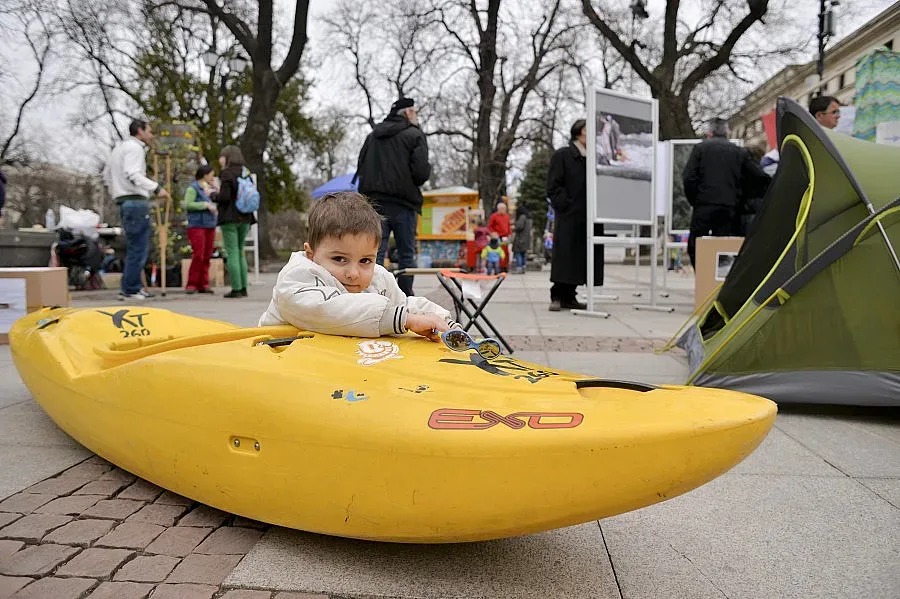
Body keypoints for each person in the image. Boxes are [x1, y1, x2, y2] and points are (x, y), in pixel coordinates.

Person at [258, 192, 454, 340]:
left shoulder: (378, 278)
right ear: (311, 254)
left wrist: (442, 321)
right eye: (339, 259)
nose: (353, 273)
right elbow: (330, 310)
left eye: (365, 260)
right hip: (280, 362)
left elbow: (403, 305)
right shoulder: (296, 279)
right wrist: (403, 320)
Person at [355, 97, 431, 297]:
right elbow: (421, 172)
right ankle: (405, 296)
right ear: (407, 113)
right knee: (406, 254)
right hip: (403, 202)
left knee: (374, 252)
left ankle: (374, 294)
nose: (416, 115)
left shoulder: (372, 137)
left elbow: (361, 167)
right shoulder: (414, 135)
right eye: (414, 111)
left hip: (373, 203)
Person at [682, 118, 770, 266]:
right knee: (722, 247)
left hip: (704, 204)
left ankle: (702, 276)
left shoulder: (700, 149)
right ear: (727, 132)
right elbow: (758, 176)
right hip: (728, 206)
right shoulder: (738, 152)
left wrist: (695, 200)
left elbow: (689, 177)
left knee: (696, 244)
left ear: (709, 133)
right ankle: (717, 279)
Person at [103, 119, 170, 301]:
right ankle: (131, 288)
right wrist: (156, 187)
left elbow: (107, 176)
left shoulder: (118, 149)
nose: (151, 135)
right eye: (149, 131)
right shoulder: (135, 148)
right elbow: (133, 174)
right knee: (139, 248)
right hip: (135, 201)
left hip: (125, 201)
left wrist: (116, 193)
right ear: (139, 131)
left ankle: (130, 286)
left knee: (133, 247)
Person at [546, 119, 603, 312]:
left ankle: (570, 296)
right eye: (588, 130)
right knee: (566, 258)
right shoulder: (563, 155)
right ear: (579, 132)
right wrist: (566, 205)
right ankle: (557, 295)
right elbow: (553, 186)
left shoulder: (595, 157)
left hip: (589, 217)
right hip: (570, 216)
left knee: (582, 260)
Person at [215, 145, 256, 298]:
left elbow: (224, 197)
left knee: (232, 251)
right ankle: (244, 287)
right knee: (240, 252)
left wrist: (213, 195)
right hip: (245, 217)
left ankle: (236, 288)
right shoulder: (246, 173)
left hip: (230, 218)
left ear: (227, 157)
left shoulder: (227, 173)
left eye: (221, 156)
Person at [182, 164, 219, 294]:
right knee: (198, 254)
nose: (213, 177)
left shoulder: (209, 189)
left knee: (207, 255)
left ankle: (204, 283)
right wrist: (204, 205)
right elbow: (188, 204)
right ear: (204, 175)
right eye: (211, 175)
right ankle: (192, 284)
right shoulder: (193, 188)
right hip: (197, 225)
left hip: (210, 225)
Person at [512, 205, 532, 274]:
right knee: (523, 254)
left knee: (518, 253)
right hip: (526, 239)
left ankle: (519, 268)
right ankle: (523, 267)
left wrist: (514, 228)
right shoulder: (528, 218)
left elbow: (519, 227)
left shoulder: (522, 217)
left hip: (520, 239)